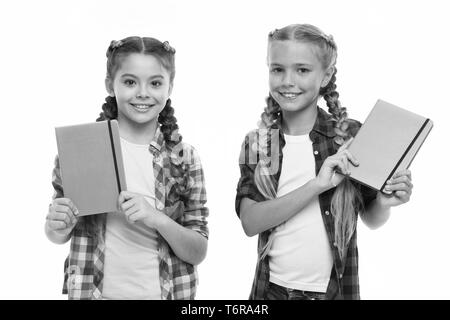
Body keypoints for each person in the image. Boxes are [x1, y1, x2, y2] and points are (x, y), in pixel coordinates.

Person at [235, 24, 413, 300]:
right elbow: (250, 222)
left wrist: (384, 202)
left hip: (335, 293)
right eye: (277, 69)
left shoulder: (352, 136)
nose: (287, 81)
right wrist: (316, 185)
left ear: (326, 75)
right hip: (271, 293)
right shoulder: (257, 144)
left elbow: (372, 218)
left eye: (302, 70)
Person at [45, 36, 209, 300]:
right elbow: (56, 233)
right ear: (110, 84)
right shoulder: (81, 150)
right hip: (93, 293)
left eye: (155, 83)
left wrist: (156, 217)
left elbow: (198, 251)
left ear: (170, 87)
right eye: (130, 82)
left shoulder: (185, 158)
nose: (143, 93)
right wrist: (57, 224)